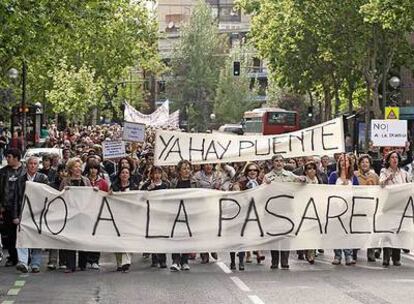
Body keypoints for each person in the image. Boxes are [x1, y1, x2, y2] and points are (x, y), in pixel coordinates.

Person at [265, 154, 305, 269]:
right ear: (273, 163)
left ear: (284, 163)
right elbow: (262, 192)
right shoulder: (268, 177)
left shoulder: (289, 175)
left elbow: (301, 181)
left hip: (287, 210)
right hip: (273, 211)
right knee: (274, 236)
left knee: (286, 235)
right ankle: (274, 261)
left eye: (281, 161)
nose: (279, 163)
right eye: (276, 161)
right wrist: (265, 184)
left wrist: (303, 179)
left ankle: (284, 261)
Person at [14, 156, 49, 273]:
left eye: (35, 164)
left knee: (36, 237)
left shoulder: (43, 178)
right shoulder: (20, 179)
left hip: (38, 213)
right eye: (31, 163)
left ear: (37, 166)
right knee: (22, 236)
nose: (33, 165)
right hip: (23, 212)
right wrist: (15, 215)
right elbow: (16, 198)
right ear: (27, 165)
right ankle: (23, 262)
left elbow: (47, 196)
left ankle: (35, 263)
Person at [59, 158, 92, 273]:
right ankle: (70, 265)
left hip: (83, 214)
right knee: (70, 240)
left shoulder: (86, 180)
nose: (78, 169)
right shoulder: (65, 181)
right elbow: (60, 197)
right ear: (71, 169)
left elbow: (91, 195)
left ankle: (83, 264)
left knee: (83, 239)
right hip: (70, 214)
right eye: (75, 166)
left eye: (79, 166)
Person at [379, 151, 410, 267]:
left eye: (396, 157)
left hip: (400, 207)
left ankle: (396, 258)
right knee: (388, 232)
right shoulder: (384, 171)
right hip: (388, 206)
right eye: (392, 157)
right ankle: (386, 257)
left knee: (398, 232)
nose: (394, 159)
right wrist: (388, 178)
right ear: (388, 160)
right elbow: (381, 183)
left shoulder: (404, 173)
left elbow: (409, 186)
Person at [232, 162, 264, 270]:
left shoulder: (262, 183)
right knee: (242, 237)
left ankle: (256, 251)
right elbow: (235, 190)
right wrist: (236, 188)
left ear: (258, 172)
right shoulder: (241, 183)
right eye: (250, 170)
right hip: (243, 214)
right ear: (247, 172)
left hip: (257, 214)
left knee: (256, 235)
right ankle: (240, 260)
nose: (252, 172)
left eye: (255, 170)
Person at [328, 153, 359, 266]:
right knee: (336, 232)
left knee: (347, 232)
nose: (343, 163)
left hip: (349, 208)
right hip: (336, 208)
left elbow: (358, 192)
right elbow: (327, 191)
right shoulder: (333, 176)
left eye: (346, 161)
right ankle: (337, 255)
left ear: (350, 164)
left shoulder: (353, 177)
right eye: (341, 160)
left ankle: (348, 255)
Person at [110, 167, 139, 272]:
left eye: (127, 172)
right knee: (117, 240)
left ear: (129, 175)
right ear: (119, 175)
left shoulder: (134, 187)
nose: (125, 174)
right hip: (117, 217)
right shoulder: (114, 187)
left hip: (129, 217)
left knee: (127, 239)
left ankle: (126, 261)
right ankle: (119, 262)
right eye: (122, 172)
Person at [0, 148, 26, 266]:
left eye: (9, 157)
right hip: (7, 208)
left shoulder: (25, 171)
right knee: (9, 235)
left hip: (22, 208)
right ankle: (13, 257)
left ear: (16, 158)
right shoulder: (3, 172)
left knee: (22, 234)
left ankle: (24, 258)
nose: (7, 159)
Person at [192, 163, 221, 263]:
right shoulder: (197, 176)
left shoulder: (218, 175)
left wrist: (219, 187)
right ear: (203, 166)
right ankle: (204, 252)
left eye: (210, 164)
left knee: (213, 229)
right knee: (203, 230)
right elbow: (193, 190)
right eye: (206, 165)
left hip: (214, 206)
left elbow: (224, 186)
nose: (208, 166)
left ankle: (213, 248)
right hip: (201, 207)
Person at [141, 166, 169, 269]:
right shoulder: (147, 185)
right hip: (151, 213)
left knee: (161, 237)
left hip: (162, 214)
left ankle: (162, 260)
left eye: (159, 173)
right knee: (153, 236)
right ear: (151, 174)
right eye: (155, 173)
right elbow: (140, 196)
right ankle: (154, 259)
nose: (157, 175)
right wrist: (148, 189)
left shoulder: (166, 185)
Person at [169, 160, 194, 272]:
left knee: (187, 237)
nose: (186, 170)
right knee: (176, 237)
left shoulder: (195, 183)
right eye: (184, 168)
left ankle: (184, 261)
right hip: (176, 213)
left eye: (188, 168)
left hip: (189, 213)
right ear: (179, 171)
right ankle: (175, 260)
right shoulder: (174, 183)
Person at [84, 159, 109, 270]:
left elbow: (107, 196)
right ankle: (87, 259)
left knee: (96, 237)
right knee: (86, 237)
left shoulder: (103, 182)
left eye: (95, 168)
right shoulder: (84, 181)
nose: (93, 171)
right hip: (86, 213)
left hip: (98, 212)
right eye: (91, 168)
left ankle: (95, 260)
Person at [354, 154, 380, 262]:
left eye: (367, 162)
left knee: (371, 230)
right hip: (358, 207)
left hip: (371, 207)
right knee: (357, 230)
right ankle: (354, 251)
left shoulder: (375, 176)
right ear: (359, 164)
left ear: (370, 164)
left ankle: (371, 252)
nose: (365, 164)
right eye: (363, 162)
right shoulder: (355, 175)